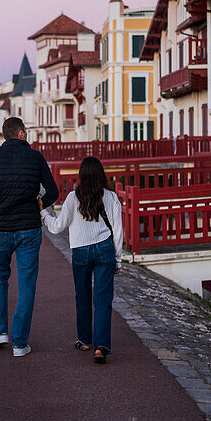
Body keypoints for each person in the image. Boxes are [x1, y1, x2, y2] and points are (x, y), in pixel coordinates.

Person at [0, 116, 60, 357]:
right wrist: (38, 206)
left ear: (5, 135)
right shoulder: (35, 157)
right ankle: (20, 344)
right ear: (21, 133)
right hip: (28, 229)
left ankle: (0, 333)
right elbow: (53, 191)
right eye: (26, 131)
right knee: (27, 284)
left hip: (0, 229)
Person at [41, 156, 123, 364]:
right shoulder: (111, 197)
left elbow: (57, 227)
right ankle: (101, 347)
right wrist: (118, 259)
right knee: (103, 300)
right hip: (105, 249)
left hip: (80, 251)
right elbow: (118, 231)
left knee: (83, 296)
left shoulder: (72, 198)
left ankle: (85, 340)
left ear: (81, 175)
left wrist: (43, 214)